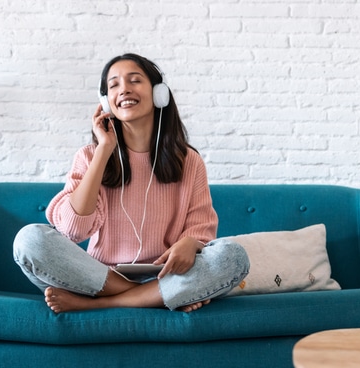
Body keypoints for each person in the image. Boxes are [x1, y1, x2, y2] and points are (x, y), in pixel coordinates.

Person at [13, 53, 249, 313]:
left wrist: (191, 243)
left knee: (232, 256)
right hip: (99, 278)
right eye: (114, 85)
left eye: (134, 80)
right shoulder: (90, 156)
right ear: (106, 102)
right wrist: (103, 150)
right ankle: (153, 299)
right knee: (29, 240)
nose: (124, 89)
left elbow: (200, 230)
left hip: (164, 276)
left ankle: (104, 305)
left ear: (159, 94)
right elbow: (73, 230)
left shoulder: (188, 160)